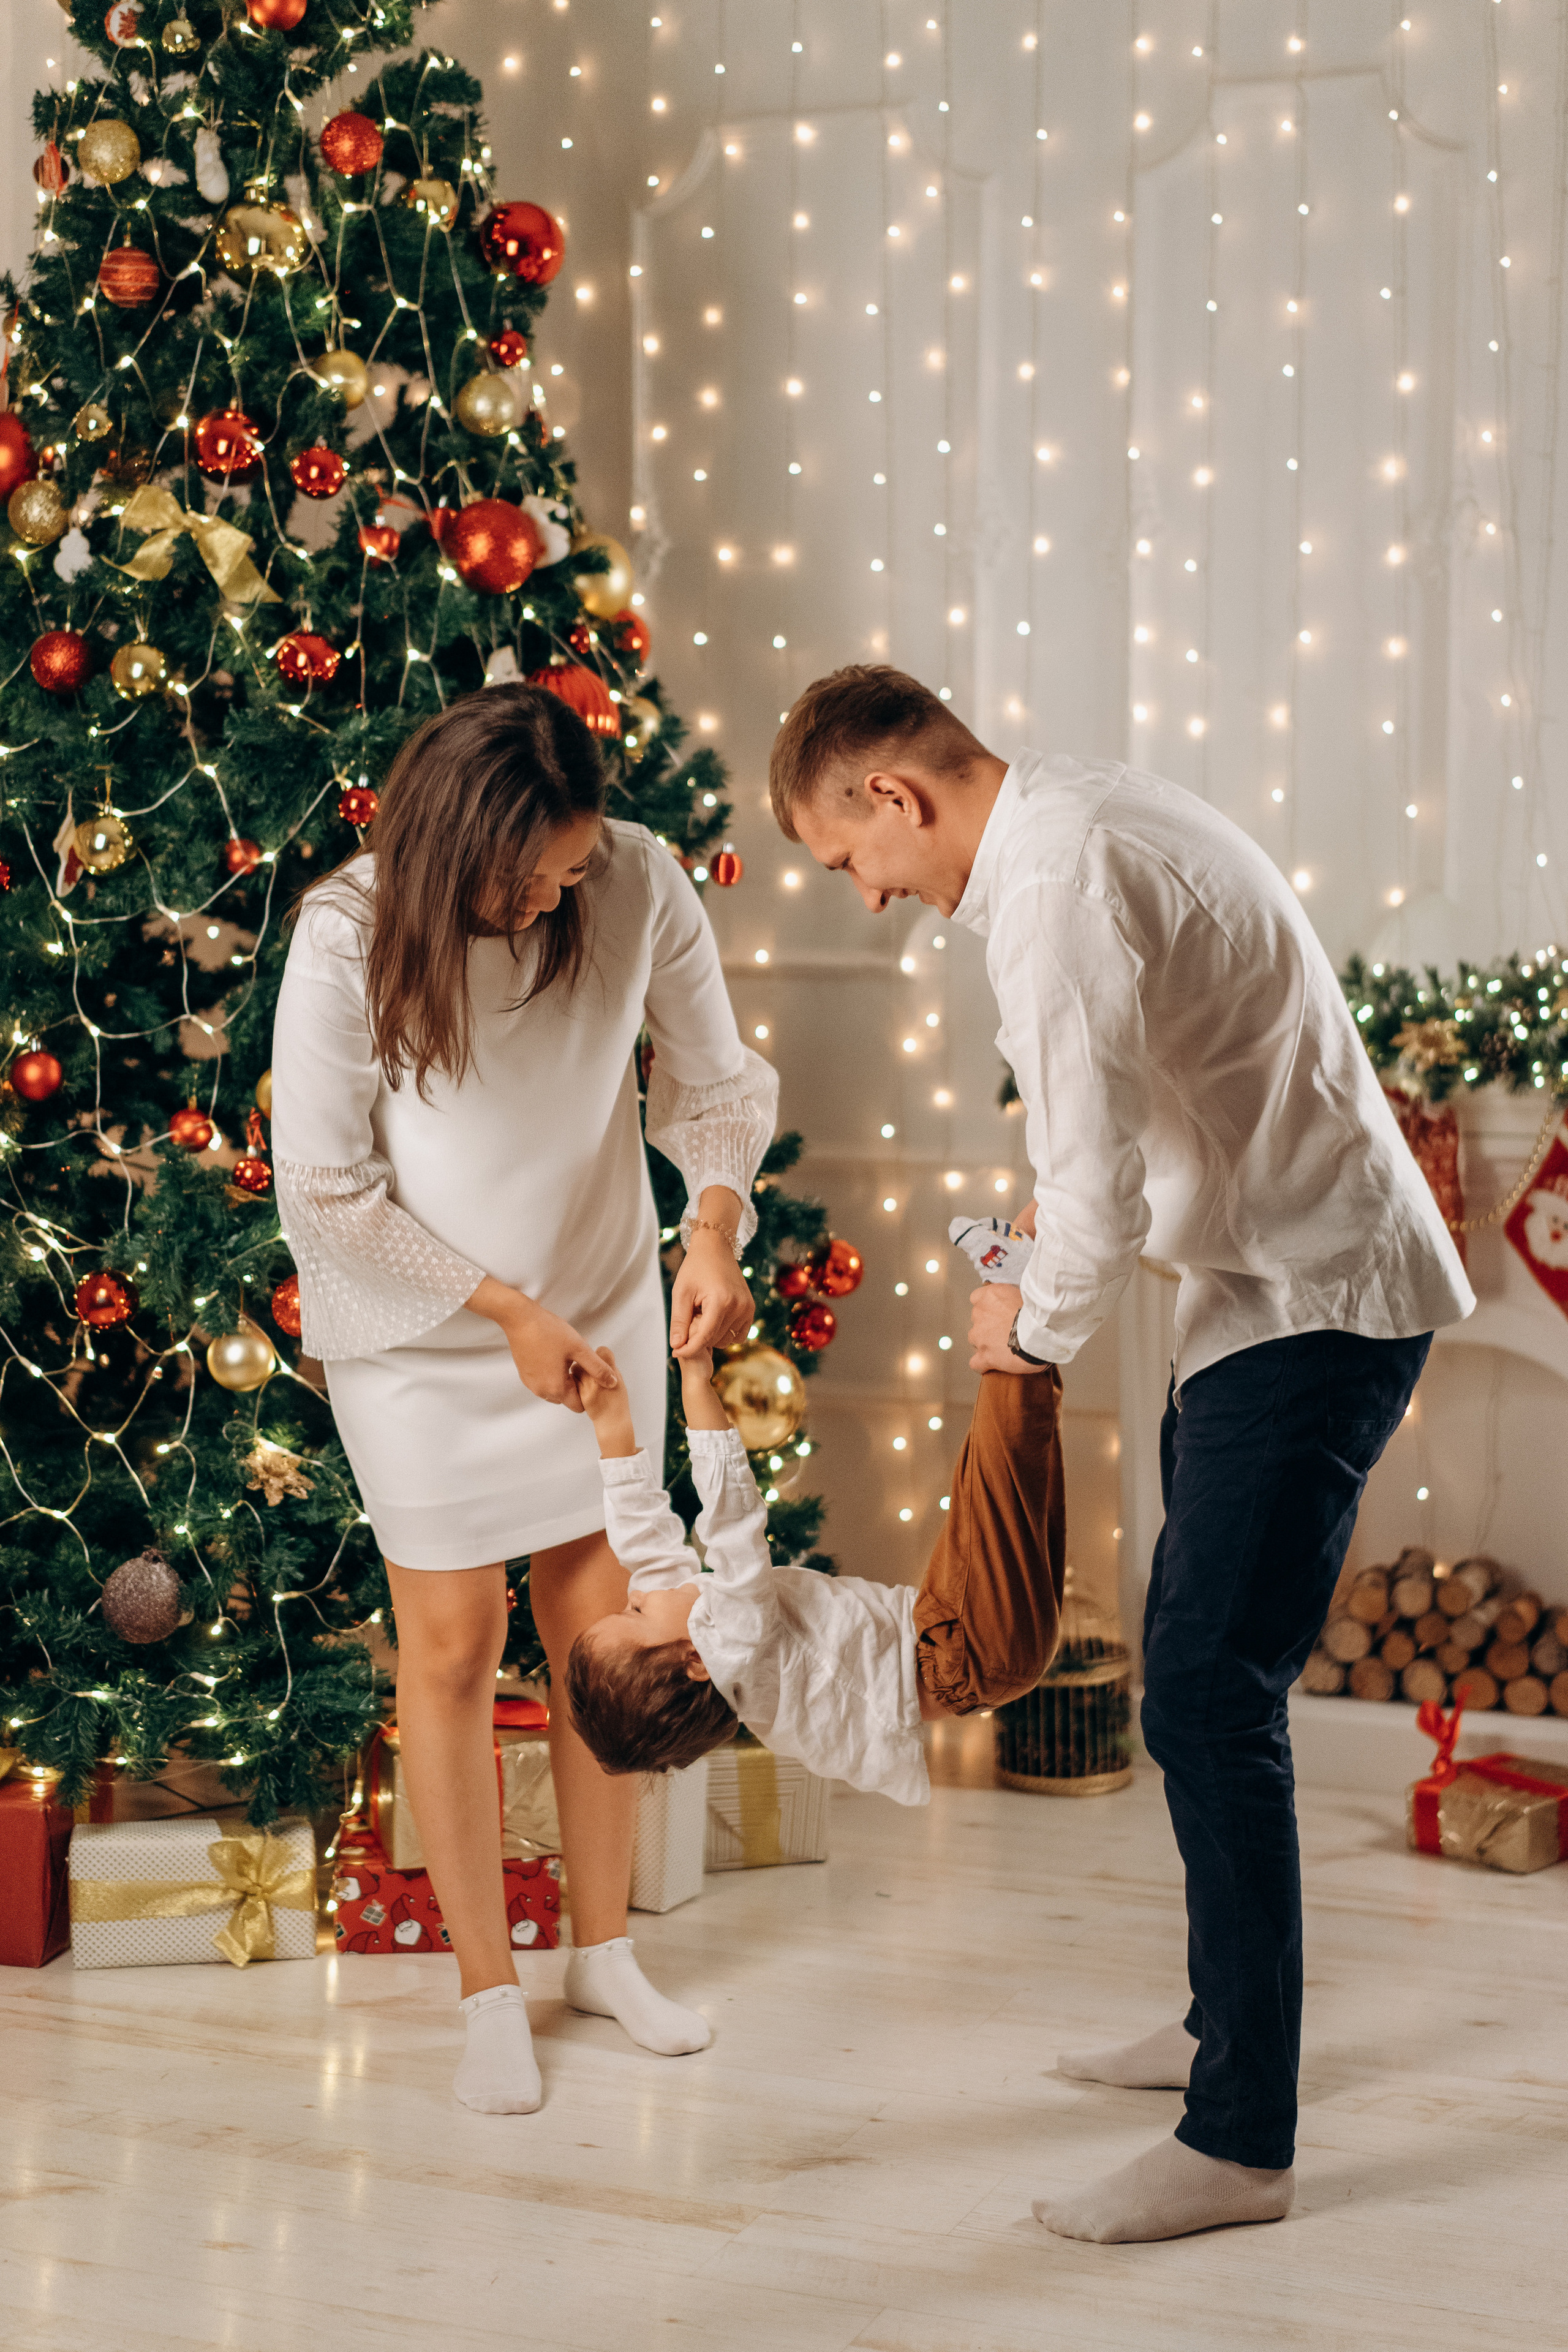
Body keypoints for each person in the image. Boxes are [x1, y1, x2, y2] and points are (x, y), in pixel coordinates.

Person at [767, 665, 1474, 2245]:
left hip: (1312, 1301)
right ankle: (1219, 2024)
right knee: (1194, 1678)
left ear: (894, 794)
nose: (864, 896)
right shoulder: (1065, 819)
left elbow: (1087, 1192)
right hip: (1258, 1289)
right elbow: (1113, 1142)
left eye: (844, 859)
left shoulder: (1053, 878)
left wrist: (1019, 1333)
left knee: (1205, 1695)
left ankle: (1236, 2138)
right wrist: (1038, 1251)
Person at [271, 684, 777, 2114]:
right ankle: (487, 1984)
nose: (563, 888)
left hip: (599, 1299)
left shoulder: (636, 881)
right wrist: (498, 1311)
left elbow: (715, 1087)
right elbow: (326, 1192)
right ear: (454, 853)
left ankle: (601, 1951)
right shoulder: (345, 940)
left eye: (574, 861)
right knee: (446, 1640)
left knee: (597, 1627)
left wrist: (713, 1229)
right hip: (421, 1331)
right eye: (535, 871)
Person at [562, 1218, 1065, 1797]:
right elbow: (732, 1522)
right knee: (1000, 1464)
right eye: (634, 1615)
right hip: (965, 1647)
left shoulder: (711, 1642)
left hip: (975, 1653)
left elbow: (644, 1545)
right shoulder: (740, 1647)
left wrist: (612, 1428)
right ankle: (1023, 1293)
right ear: (697, 1663)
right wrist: (697, 1381)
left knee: (1019, 1462)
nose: (637, 1592)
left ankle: (1034, 1290)